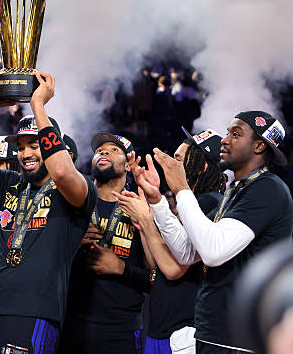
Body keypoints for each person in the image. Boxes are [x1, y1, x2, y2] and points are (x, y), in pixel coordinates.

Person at [0, 72, 96, 353]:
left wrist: (38, 106)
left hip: (34, 311)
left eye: (34, 145)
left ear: (53, 147)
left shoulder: (78, 188)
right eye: (21, 147)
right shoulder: (7, 183)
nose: (25, 154)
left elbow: (62, 171)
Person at [133, 111, 293, 353]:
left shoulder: (267, 189)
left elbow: (213, 252)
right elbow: (186, 252)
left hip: (237, 339)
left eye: (235, 134)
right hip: (213, 332)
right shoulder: (236, 191)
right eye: (227, 133)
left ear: (259, 146)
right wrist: (157, 201)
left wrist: (182, 190)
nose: (224, 140)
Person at [114, 128, 227, 354]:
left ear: (201, 167)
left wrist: (147, 218)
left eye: (178, 160)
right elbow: (155, 265)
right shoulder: (188, 205)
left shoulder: (210, 203)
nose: (170, 165)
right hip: (162, 328)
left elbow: (174, 269)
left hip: (185, 331)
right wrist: (144, 221)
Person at [59, 132, 154, 354]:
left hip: (120, 330)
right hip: (70, 321)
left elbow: (155, 279)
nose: (104, 153)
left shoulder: (141, 208)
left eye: (114, 150)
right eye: (100, 150)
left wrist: (121, 268)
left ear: (128, 165)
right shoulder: (73, 202)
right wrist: (72, 242)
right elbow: (45, 263)